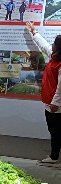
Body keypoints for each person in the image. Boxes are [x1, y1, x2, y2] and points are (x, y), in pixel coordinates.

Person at [27, 21, 61, 166]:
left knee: (56, 131)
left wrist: (56, 103)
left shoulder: (59, 64)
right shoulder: (55, 57)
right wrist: (34, 32)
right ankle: (54, 157)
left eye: (54, 43)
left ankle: (54, 158)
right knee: (53, 130)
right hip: (50, 102)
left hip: (56, 106)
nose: (51, 45)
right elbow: (44, 45)